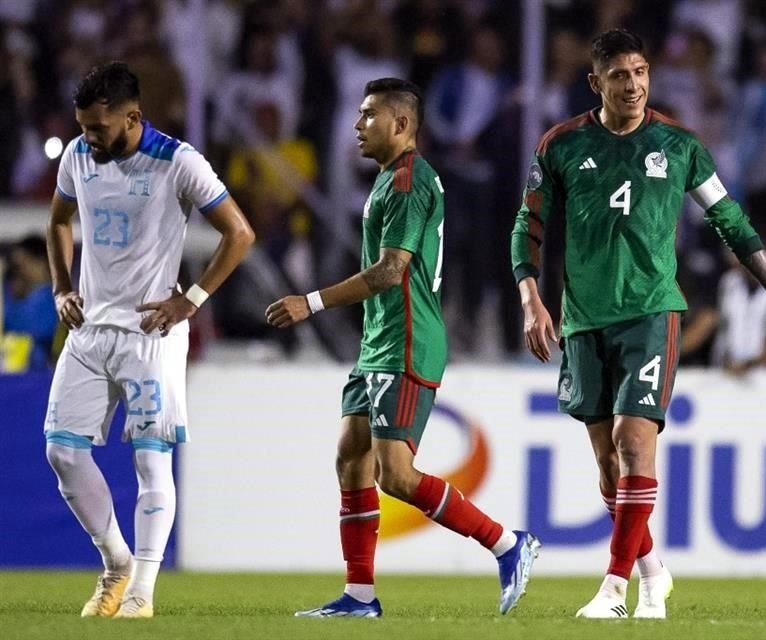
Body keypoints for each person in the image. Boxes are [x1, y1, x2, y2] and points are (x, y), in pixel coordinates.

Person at [510, 29, 766, 620]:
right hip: (583, 319)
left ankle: (613, 591)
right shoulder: (561, 145)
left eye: (642, 72)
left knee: (632, 442)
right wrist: (530, 297)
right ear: (595, 82)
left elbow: (731, 222)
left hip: (651, 312)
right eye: (620, 75)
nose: (634, 85)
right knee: (606, 466)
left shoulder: (678, 144)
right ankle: (653, 573)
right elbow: (528, 225)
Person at [265, 77, 540, 618]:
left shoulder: (411, 182)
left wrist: (312, 302)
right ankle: (360, 597)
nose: (357, 125)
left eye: (368, 115)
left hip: (406, 341)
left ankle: (508, 544)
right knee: (350, 457)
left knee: (395, 475)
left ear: (402, 124)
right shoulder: (390, 179)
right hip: (378, 342)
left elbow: (392, 271)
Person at [44, 62, 255, 619]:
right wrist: (62, 287)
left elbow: (240, 232)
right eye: (83, 127)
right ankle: (116, 564)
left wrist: (192, 301)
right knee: (62, 452)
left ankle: (142, 593)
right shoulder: (76, 156)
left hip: (151, 333)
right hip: (90, 329)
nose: (89, 139)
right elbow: (58, 222)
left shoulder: (178, 161)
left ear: (133, 116)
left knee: (150, 463)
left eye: (99, 128)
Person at [2, 234, 59, 372]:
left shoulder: (51, 298)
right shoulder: (18, 301)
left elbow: (35, 329)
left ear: (40, 263)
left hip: (39, 378)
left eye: (20, 266)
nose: (17, 273)